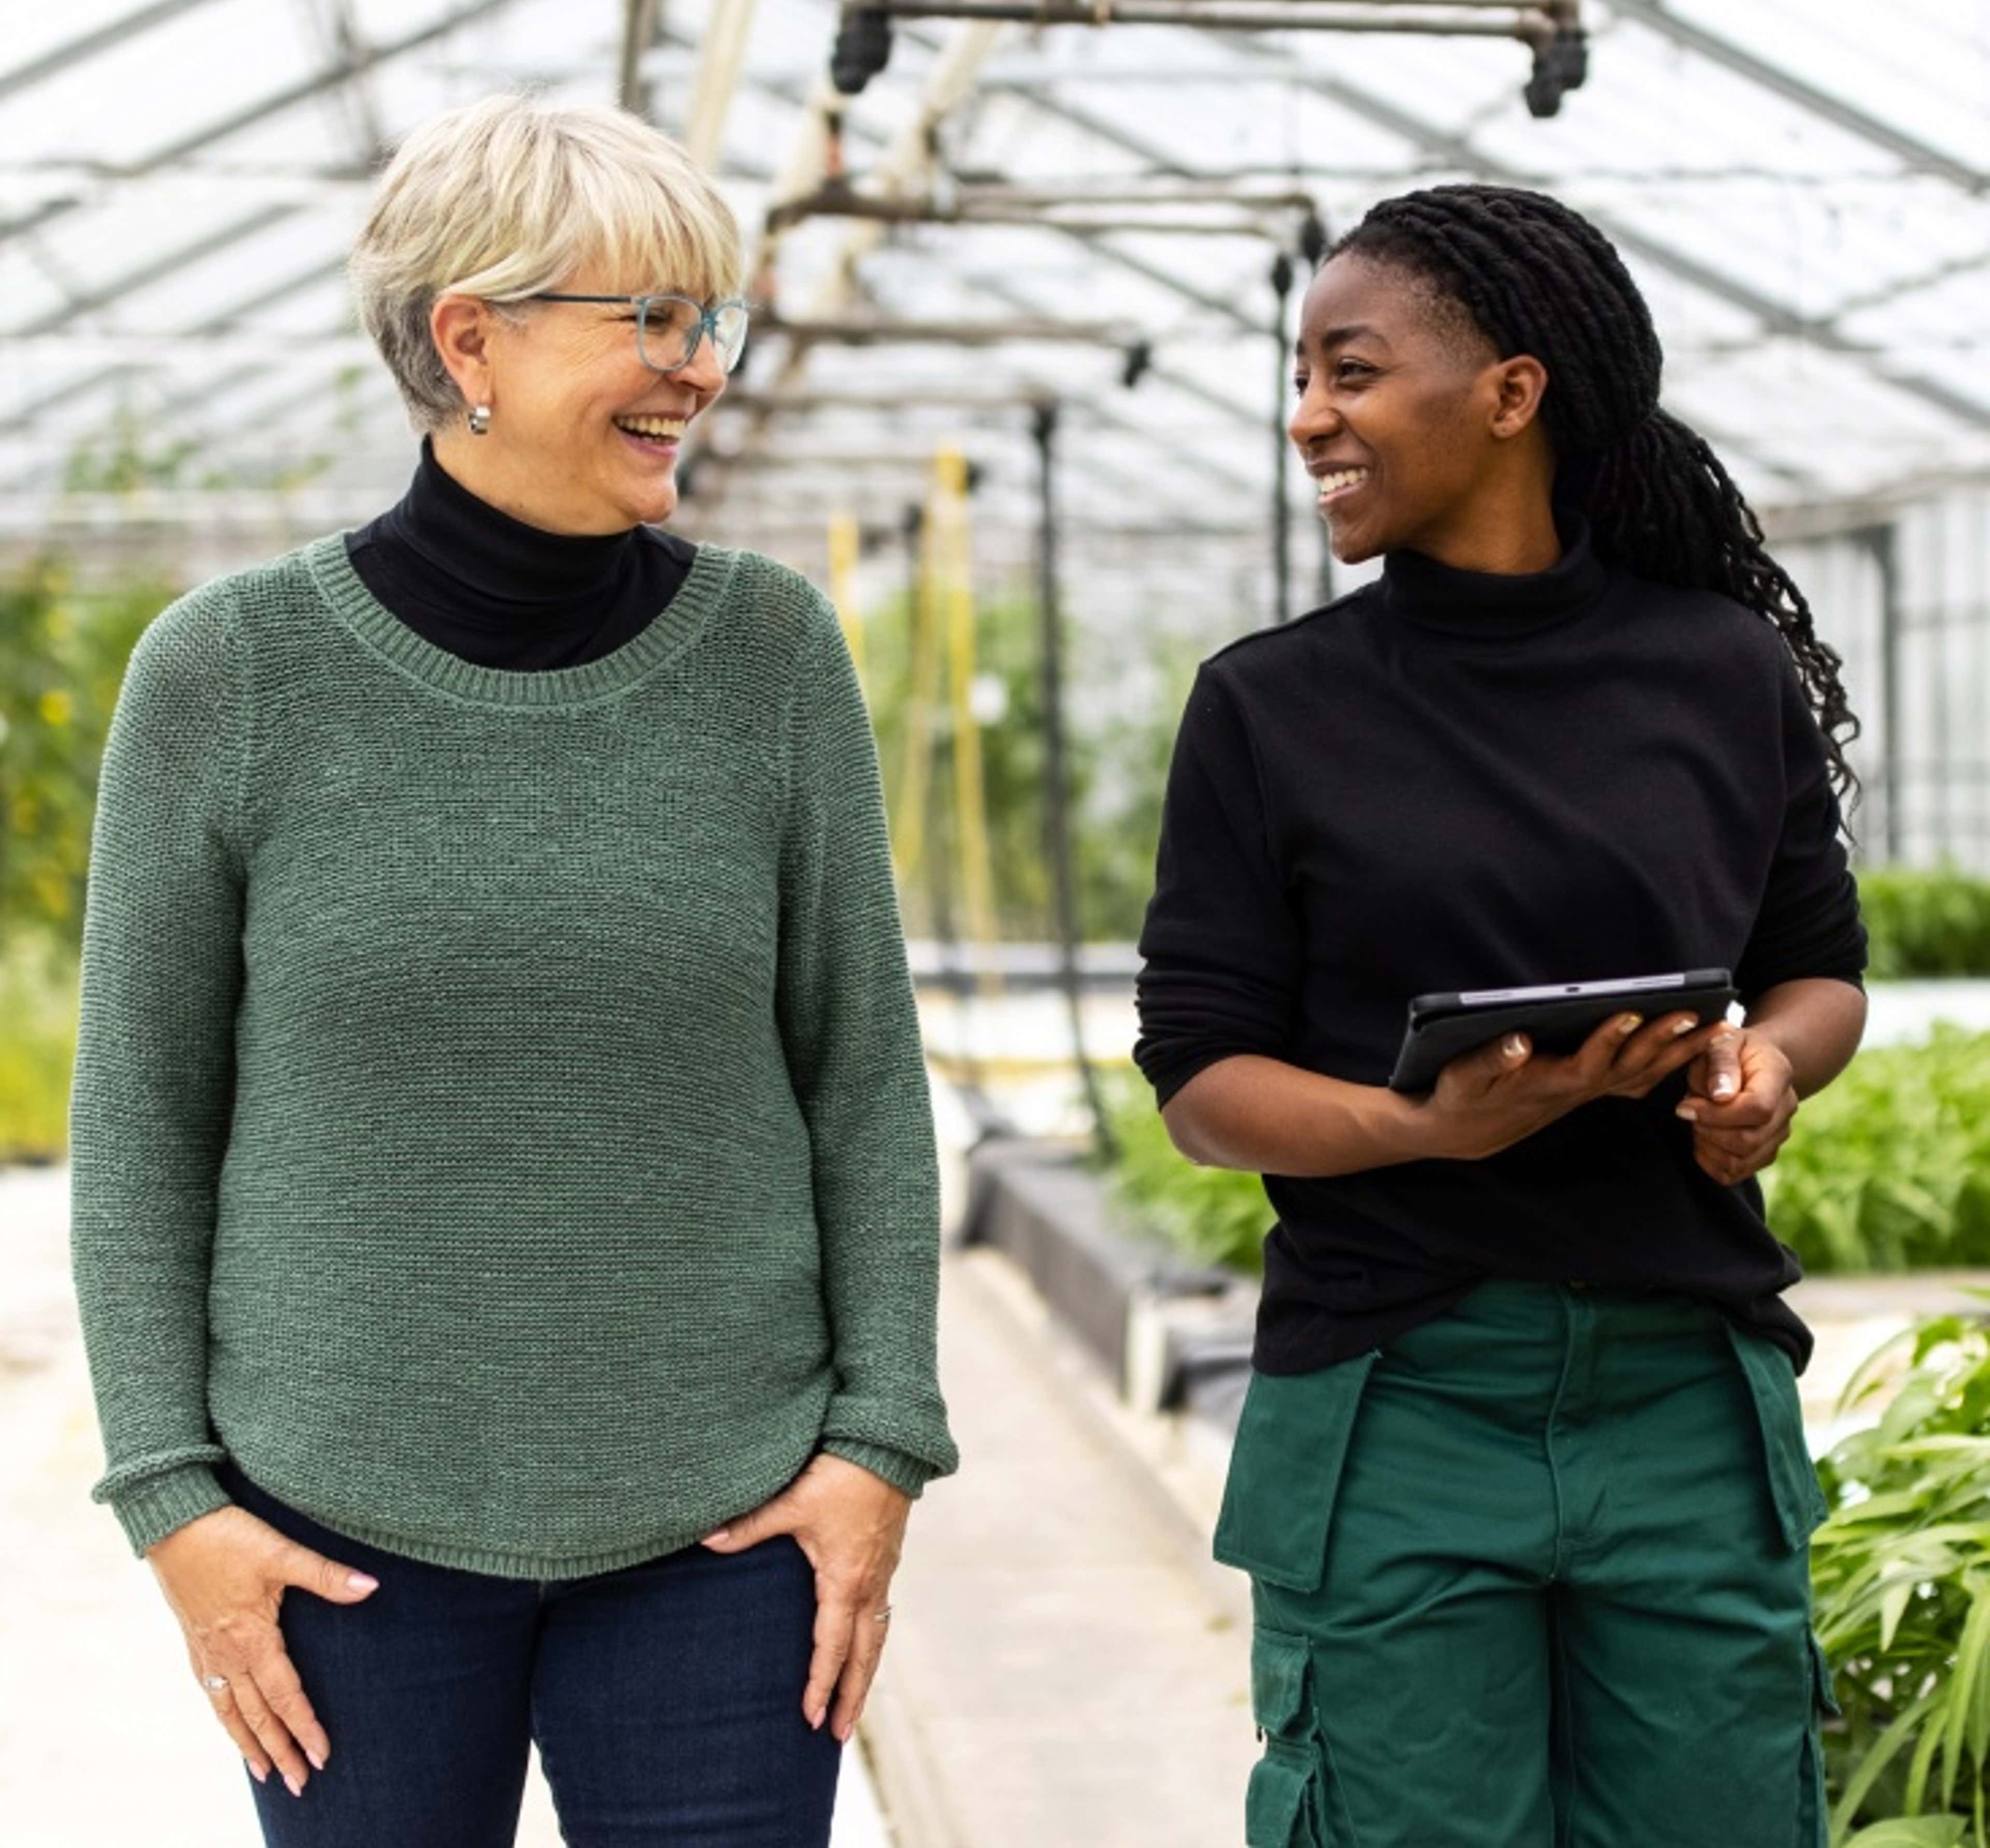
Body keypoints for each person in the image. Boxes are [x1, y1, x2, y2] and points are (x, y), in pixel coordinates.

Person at [67, 92, 958, 1848]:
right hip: (337, 1549)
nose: (699, 368)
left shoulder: (771, 656)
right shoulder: (229, 678)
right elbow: (144, 1123)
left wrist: (879, 1448)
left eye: (713, 320)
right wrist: (176, 1505)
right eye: (652, 319)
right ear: (468, 338)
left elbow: (860, 1079)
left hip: (730, 1529)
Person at [1134, 182, 1866, 1848]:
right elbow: (1199, 1076)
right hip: (1398, 1396)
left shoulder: (1720, 672)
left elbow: (1820, 969)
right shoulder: (1270, 707)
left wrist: (1769, 1068)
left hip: (1685, 1386)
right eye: (1303, 375)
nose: (1308, 415)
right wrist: (1418, 1127)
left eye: (1351, 371)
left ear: (1512, 393)